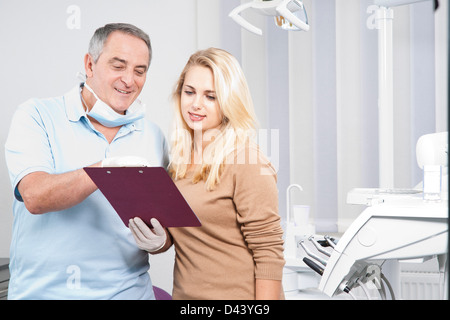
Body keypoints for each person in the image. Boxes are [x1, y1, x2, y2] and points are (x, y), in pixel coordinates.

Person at [4, 23, 168, 300]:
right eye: (118, 66)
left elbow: (164, 222)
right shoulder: (36, 116)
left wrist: (161, 242)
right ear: (89, 65)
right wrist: (103, 171)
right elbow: (35, 197)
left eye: (140, 71)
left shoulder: (152, 135)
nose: (129, 80)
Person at [129, 48, 285, 300]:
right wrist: (161, 241)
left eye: (211, 96)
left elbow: (268, 251)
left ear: (229, 101)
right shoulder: (178, 162)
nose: (196, 104)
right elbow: (194, 235)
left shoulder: (246, 160)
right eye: (189, 92)